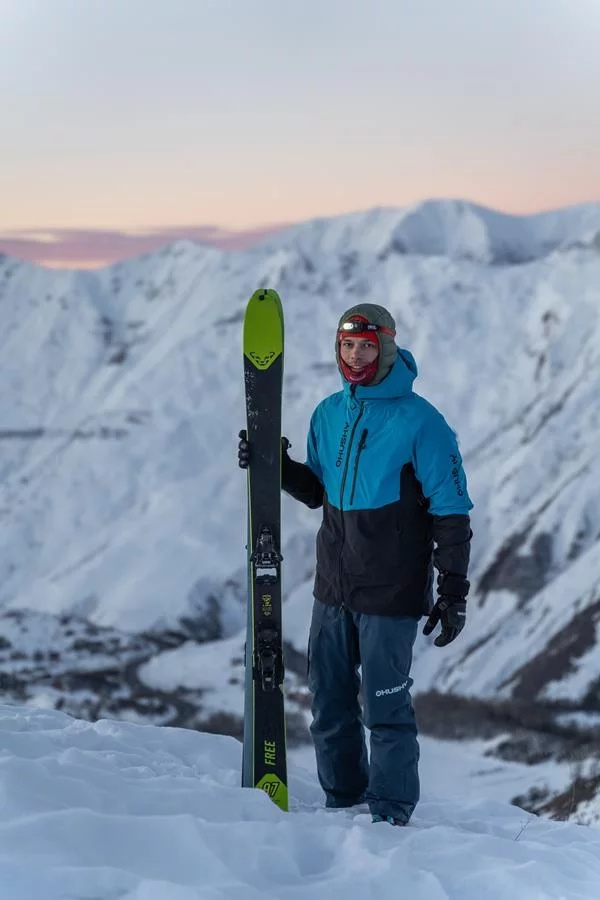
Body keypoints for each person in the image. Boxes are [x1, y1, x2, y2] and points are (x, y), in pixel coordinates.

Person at [238, 302, 473, 826]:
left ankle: (389, 817)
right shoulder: (329, 413)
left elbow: (452, 511)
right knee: (328, 704)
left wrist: (453, 591)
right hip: (333, 587)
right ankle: (343, 805)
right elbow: (319, 492)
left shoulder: (422, 422)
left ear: (386, 348)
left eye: (367, 346)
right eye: (348, 346)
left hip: (390, 591)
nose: (356, 356)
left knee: (385, 710)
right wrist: (276, 466)